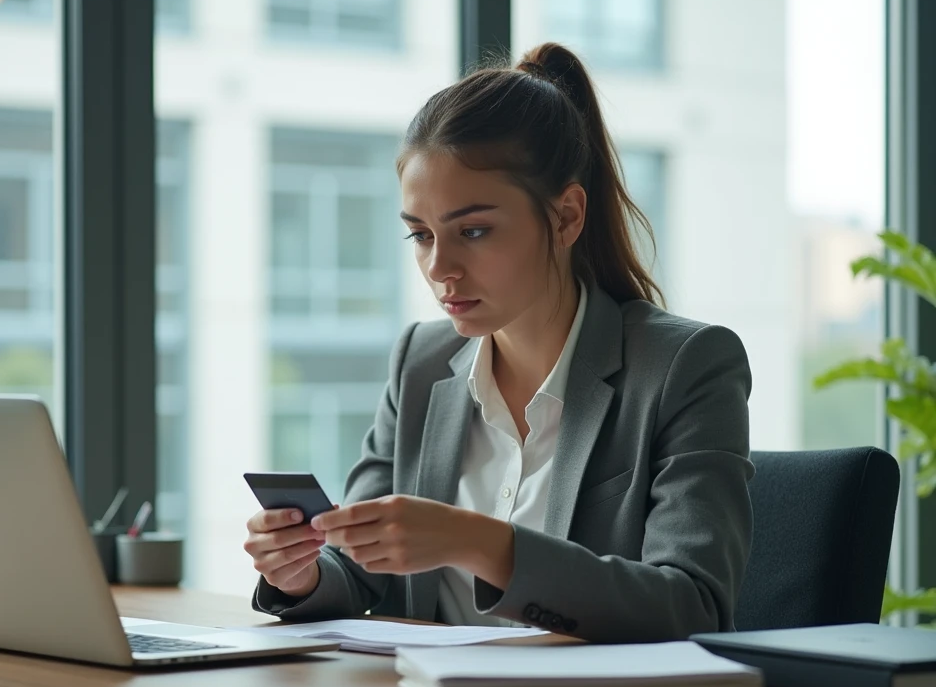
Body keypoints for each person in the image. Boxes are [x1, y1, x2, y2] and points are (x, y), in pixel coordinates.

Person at [242, 43, 753, 643]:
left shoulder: (685, 367)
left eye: (474, 231)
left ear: (565, 217)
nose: (439, 267)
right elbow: (361, 574)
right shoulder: (420, 362)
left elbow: (691, 607)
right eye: (421, 235)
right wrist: (299, 573)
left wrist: (480, 543)